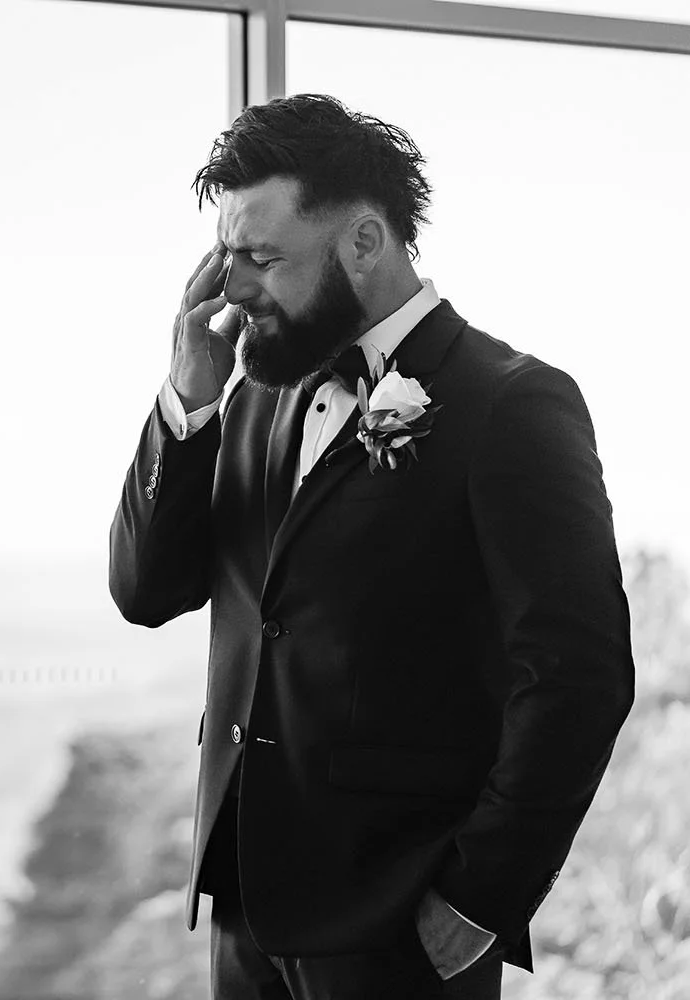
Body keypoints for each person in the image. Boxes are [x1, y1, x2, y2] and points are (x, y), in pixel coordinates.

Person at [108, 94, 634, 999]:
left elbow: (577, 676)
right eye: (225, 257)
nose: (232, 290)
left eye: (262, 258)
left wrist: (480, 899)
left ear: (363, 242)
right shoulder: (250, 394)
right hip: (242, 907)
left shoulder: (512, 403)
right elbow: (145, 592)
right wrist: (186, 401)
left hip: (401, 926)